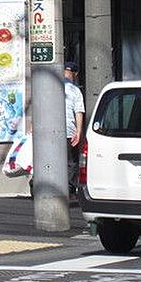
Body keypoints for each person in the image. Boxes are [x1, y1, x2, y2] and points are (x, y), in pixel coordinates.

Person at [64, 61, 85, 198]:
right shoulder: (75, 90)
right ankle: (69, 188)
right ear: (75, 74)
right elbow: (79, 111)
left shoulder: (51, 85)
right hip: (68, 130)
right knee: (71, 161)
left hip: (49, 132)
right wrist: (78, 131)